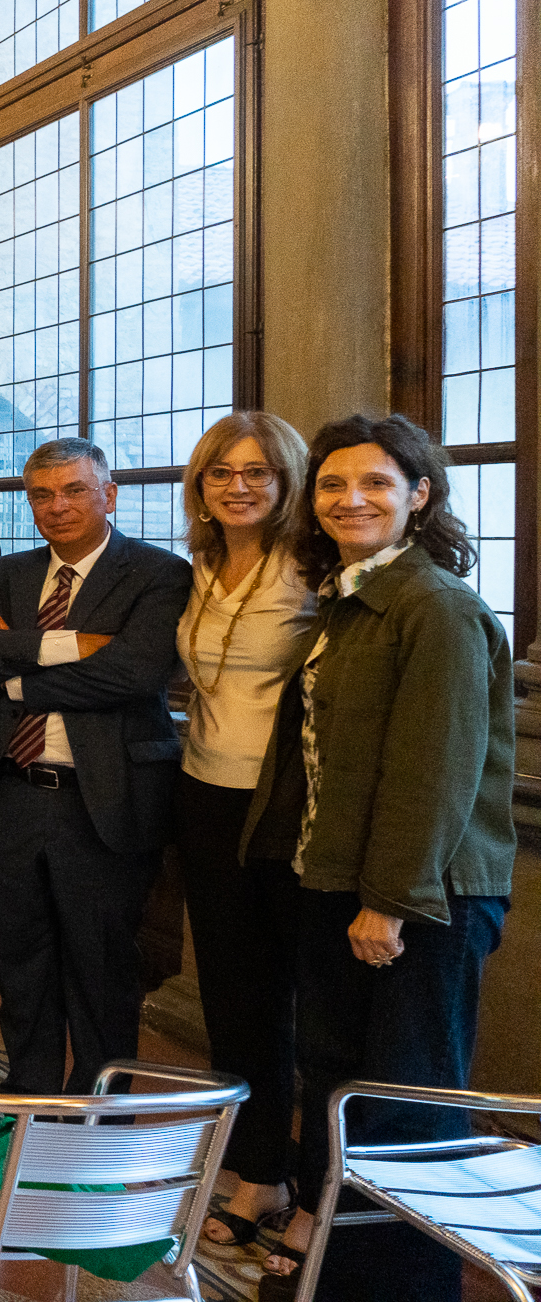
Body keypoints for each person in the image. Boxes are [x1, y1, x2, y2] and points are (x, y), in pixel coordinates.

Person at [242, 414, 513, 1302]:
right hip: (337, 884)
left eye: (376, 484)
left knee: (404, 1113)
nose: (350, 499)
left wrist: (389, 902)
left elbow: (432, 768)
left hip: (419, 901)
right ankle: (340, 1277)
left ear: (419, 495)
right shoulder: (352, 598)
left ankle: (405, 1289)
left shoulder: (435, 606)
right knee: (337, 1094)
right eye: (332, 484)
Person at [0, 438, 188, 1095]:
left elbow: (133, 672)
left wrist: (15, 673)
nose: (58, 506)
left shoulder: (158, 573)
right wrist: (69, 645)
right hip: (11, 796)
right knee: (21, 965)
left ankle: (95, 1117)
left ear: (109, 495)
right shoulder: (9, 573)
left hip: (100, 800)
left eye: (75, 490)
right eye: (42, 494)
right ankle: (30, 1100)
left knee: (101, 969)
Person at [171, 413, 315, 1250]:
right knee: (232, 995)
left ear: (287, 480)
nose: (238, 486)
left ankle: (313, 1185)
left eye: (258, 471)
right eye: (221, 472)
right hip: (203, 793)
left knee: (300, 1000)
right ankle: (257, 1170)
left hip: (285, 804)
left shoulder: (311, 568)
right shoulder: (199, 564)